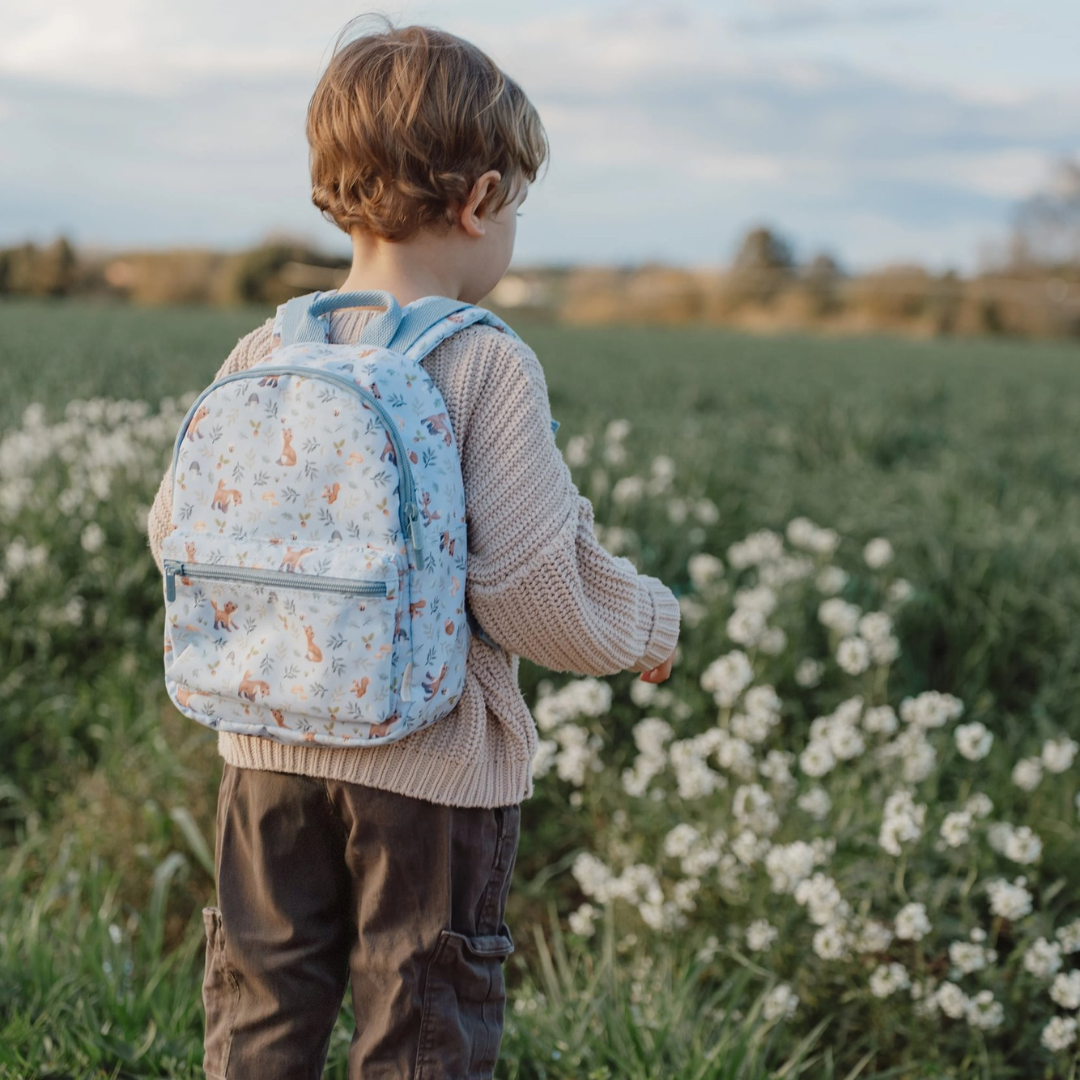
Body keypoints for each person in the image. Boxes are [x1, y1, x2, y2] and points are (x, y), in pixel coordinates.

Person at [145, 13, 680, 1080]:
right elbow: (530, 585)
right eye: (515, 207)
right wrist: (644, 625)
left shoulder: (266, 347)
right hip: (430, 778)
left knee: (261, 1008)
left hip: (265, 752)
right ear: (480, 201)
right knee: (422, 1023)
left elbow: (173, 530)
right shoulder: (482, 363)